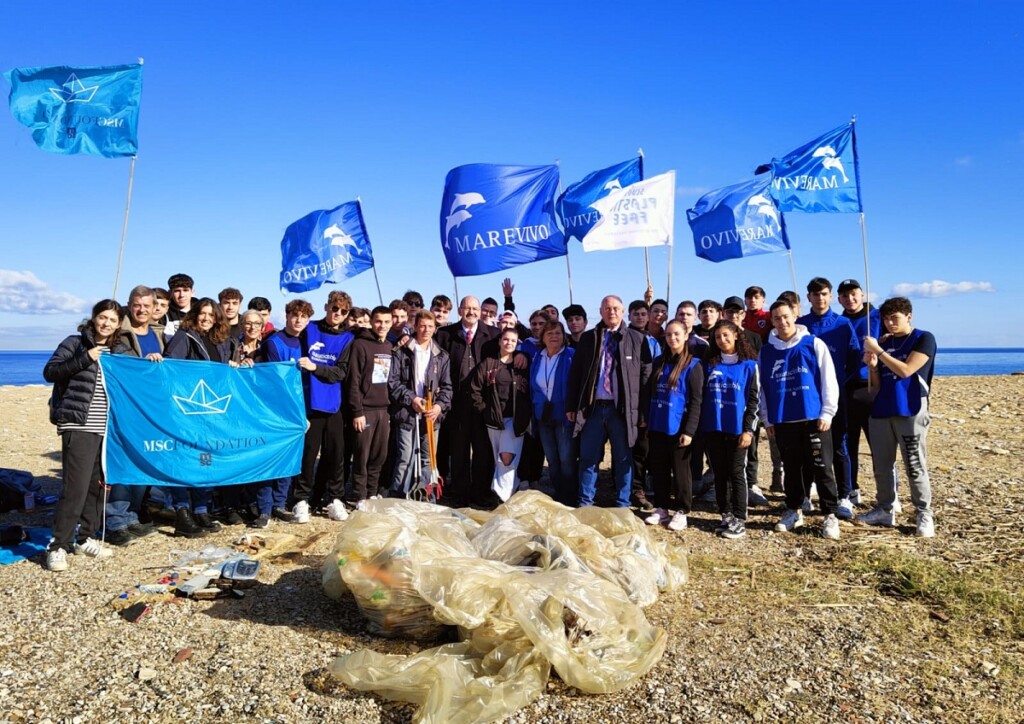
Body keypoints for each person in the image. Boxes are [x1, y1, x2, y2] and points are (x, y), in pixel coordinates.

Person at [43, 300, 131, 570]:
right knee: (75, 486)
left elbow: (134, 380)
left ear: (118, 325)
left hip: (107, 428)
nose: (106, 323)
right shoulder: (75, 342)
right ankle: (58, 545)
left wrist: (152, 360)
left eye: (112, 320)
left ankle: (86, 537)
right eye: (102, 317)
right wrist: (85, 358)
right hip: (78, 424)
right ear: (93, 318)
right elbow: (51, 372)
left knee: (97, 486)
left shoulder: (120, 350)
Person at [759, 299, 842, 540]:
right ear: (772, 321)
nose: (782, 322)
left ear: (794, 315)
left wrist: (828, 412)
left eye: (786, 316)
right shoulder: (767, 351)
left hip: (813, 418)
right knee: (791, 469)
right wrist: (767, 419)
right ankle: (794, 509)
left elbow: (828, 379)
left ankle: (830, 514)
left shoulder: (813, 343)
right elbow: (763, 388)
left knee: (822, 467)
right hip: (783, 419)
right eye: (777, 318)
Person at [857, 297, 937, 537]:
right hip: (883, 409)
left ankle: (923, 513)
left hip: (910, 408)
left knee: (914, 464)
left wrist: (878, 352)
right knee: (882, 465)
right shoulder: (884, 342)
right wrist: (872, 365)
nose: (890, 323)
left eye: (895, 318)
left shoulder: (923, 338)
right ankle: (885, 507)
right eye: (886, 319)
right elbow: (875, 387)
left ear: (908, 316)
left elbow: (906, 370)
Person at [567, 295, 653, 508]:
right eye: (607, 308)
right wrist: (571, 405)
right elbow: (576, 373)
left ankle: (622, 503)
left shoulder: (637, 339)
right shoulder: (589, 338)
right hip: (594, 408)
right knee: (588, 457)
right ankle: (585, 502)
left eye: (615, 308)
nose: (611, 312)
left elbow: (646, 377)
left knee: (624, 458)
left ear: (623, 311)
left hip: (621, 410)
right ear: (601, 311)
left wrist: (641, 412)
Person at [164, 297, 240, 536]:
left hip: (211, 416)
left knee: (205, 461)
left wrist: (237, 365)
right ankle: (182, 513)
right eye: (202, 314)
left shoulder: (222, 342)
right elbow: (170, 369)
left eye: (211, 315)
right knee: (184, 461)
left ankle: (201, 509)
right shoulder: (184, 336)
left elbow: (226, 373)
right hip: (186, 413)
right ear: (195, 314)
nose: (206, 318)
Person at [798, 277, 861, 520]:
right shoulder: (801, 324)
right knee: (808, 447)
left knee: (839, 445)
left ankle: (844, 496)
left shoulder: (843, 324)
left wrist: (839, 383)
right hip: (807, 397)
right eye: (815, 294)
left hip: (836, 395)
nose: (820, 298)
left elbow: (855, 359)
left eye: (824, 294)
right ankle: (806, 495)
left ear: (831, 296)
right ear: (809, 297)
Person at [104, 285, 163, 546]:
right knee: (124, 464)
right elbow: (118, 361)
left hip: (150, 411)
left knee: (144, 462)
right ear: (130, 305)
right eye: (137, 305)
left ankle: (131, 516)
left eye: (146, 306)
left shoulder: (159, 335)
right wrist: (141, 361)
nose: (141, 310)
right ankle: (114, 521)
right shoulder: (120, 333)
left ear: (154, 309)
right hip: (124, 409)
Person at [291, 292, 354, 522]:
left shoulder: (347, 338)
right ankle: (301, 500)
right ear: (326, 307)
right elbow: (287, 339)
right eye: (334, 308)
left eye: (343, 311)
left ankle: (334, 499)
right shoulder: (310, 329)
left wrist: (316, 367)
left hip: (333, 404)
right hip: (309, 404)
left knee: (336, 454)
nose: (337, 314)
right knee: (308, 456)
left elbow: (340, 372)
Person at [254, 299, 315, 527]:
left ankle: (279, 504)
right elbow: (274, 382)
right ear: (287, 316)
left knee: (289, 459)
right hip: (277, 409)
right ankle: (264, 509)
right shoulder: (274, 342)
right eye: (295, 315)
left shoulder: (307, 342)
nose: (299, 320)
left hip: (300, 408)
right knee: (270, 458)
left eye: (304, 316)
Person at [434, 296, 500, 506]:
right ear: (460, 310)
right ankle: (460, 493)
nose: (471, 312)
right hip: (456, 404)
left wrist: (521, 357)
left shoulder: (493, 335)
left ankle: (480, 493)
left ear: (480, 311)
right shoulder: (445, 334)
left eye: (474, 308)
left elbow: (511, 348)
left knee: (483, 451)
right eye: (467, 308)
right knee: (458, 451)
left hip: (482, 403)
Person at [700, 321, 759, 539]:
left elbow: (754, 401)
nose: (722, 340)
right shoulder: (709, 365)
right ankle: (725, 514)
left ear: (735, 336)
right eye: (717, 337)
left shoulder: (750, 366)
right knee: (719, 473)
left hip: (737, 430)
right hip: (713, 427)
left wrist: (748, 431)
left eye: (726, 335)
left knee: (736, 473)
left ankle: (740, 518)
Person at [644, 320, 703, 531]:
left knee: (680, 471)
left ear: (686, 335)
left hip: (679, 426)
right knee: (659, 468)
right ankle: (661, 507)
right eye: (669, 334)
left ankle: (682, 510)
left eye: (677, 334)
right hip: (658, 423)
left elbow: (696, 401)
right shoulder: (659, 361)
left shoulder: (693, 364)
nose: (672, 338)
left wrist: (689, 431)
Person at [388, 310, 452, 497]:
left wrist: (439, 407)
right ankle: (398, 496)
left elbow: (447, 387)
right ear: (415, 326)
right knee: (405, 457)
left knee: (428, 458)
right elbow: (393, 382)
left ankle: (426, 496)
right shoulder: (402, 351)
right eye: (422, 325)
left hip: (431, 415)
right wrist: (412, 399)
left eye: (430, 326)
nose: (426, 330)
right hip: (407, 413)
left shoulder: (441, 356)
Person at [470, 327, 532, 504]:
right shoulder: (489, 364)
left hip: (516, 420)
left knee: (507, 457)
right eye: (505, 339)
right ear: (499, 341)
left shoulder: (522, 364)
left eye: (513, 340)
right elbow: (475, 388)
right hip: (495, 420)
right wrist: (484, 410)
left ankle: (503, 495)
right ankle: (508, 491)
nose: (509, 343)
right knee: (501, 458)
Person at [837, 278, 882, 505]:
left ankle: (887, 494)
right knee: (848, 442)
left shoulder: (877, 317)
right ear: (839, 299)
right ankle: (851, 488)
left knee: (878, 444)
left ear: (862, 294)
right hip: (846, 388)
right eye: (845, 296)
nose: (850, 298)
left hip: (871, 387)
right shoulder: (839, 322)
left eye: (853, 294)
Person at [720, 296, 768, 507]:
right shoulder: (718, 336)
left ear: (743, 314)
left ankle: (752, 483)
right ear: (724, 314)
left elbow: (757, 367)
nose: (734, 315)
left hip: (748, 398)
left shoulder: (754, 337)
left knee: (752, 442)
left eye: (737, 312)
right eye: (729, 312)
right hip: (726, 400)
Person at [346, 306, 394, 503]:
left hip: (383, 410)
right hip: (365, 410)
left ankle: (372, 493)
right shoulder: (360, 345)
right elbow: (353, 381)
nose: (382, 325)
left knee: (378, 456)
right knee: (362, 457)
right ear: (371, 322)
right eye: (378, 321)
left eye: (386, 322)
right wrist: (357, 411)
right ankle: (359, 496)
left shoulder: (389, 346)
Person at [530, 319, 576, 506]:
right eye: (549, 333)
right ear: (543, 337)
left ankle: (570, 497)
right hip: (543, 415)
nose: (554, 337)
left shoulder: (571, 355)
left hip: (564, 414)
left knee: (566, 458)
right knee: (552, 458)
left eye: (558, 333)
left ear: (563, 336)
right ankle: (559, 493)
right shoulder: (537, 357)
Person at [164, 272, 194, 340]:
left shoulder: (201, 312)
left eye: (185, 290)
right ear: (170, 293)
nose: (181, 295)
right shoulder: (164, 314)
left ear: (192, 292)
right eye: (177, 291)